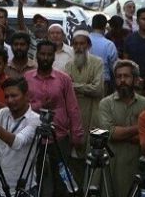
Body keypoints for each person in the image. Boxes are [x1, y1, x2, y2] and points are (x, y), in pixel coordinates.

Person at [24, 40, 84, 197]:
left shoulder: (63, 79)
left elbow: (73, 107)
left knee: (62, 176)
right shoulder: (27, 77)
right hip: (33, 135)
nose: (45, 57)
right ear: (37, 55)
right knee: (35, 174)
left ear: (54, 57)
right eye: (42, 54)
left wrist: (77, 134)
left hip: (59, 135)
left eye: (49, 54)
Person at [0, 77, 41, 197]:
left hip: (21, 189)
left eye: (14, 95)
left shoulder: (36, 120)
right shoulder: (3, 113)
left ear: (26, 96)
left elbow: (17, 142)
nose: (10, 100)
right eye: (6, 97)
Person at [97, 60, 145, 197]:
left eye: (126, 76)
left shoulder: (144, 103)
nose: (122, 80)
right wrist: (139, 127)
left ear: (135, 79)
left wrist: (123, 132)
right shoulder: (106, 104)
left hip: (135, 165)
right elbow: (111, 133)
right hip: (112, 165)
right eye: (119, 77)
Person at [62, 30, 104, 179]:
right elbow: (66, 91)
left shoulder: (97, 62)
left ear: (88, 45)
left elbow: (98, 89)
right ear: (72, 46)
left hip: (93, 113)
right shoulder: (68, 65)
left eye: (82, 43)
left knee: (93, 156)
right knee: (73, 159)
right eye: (76, 44)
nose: (79, 47)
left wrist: (74, 86)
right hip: (74, 114)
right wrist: (86, 86)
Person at [89, 14, 118, 95]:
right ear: (105, 26)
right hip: (103, 82)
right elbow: (114, 66)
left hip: (84, 82)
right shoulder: (109, 44)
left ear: (92, 25)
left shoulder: (83, 41)